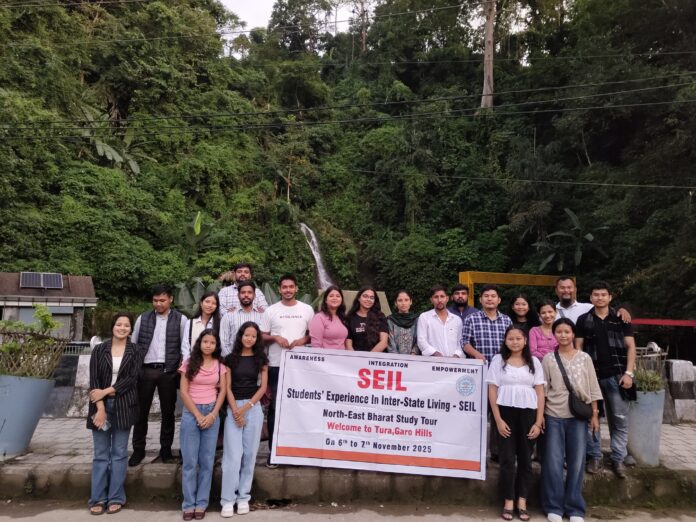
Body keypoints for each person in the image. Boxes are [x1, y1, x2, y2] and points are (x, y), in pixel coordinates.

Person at [542, 318, 602, 522]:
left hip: (578, 417)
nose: (563, 335)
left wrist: (595, 415)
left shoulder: (584, 358)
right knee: (553, 462)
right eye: (559, 331)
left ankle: (575, 507)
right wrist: (540, 416)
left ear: (573, 334)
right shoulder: (548, 359)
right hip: (553, 415)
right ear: (554, 334)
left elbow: (593, 388)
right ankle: (554, 506)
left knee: (577, 462)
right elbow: (543, 389)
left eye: (567, 331)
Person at [576, 281, 636, 479]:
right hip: (591, 377)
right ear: (591, 297)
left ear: (610, 297)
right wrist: (581, 376)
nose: (599, 297)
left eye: (603, 294)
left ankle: (618, 458)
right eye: (596, 294)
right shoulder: (583, 320)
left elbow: (631, 347)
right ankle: (595, 456)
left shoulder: (621, 319)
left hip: (617, 376)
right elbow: (578, 348)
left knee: (620, 419)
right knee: (591, 419)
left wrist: (629, 373)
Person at [487, 326, 545, 521]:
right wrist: (498, 420)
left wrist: (538, 422)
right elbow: (492, 390)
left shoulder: (534, 361)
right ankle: (508, 500)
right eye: (510, 338)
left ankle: (522, 501)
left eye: (518, 338)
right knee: (507, 459)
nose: (515, 342)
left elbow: (540, 392)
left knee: (526, 460)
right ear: (505, 341)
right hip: (505, 413)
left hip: (528, 414)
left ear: (525, 341)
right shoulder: (498, 360)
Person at [87, 312, 139, 515]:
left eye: (126, 325)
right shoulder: (99, 350)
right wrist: (100, 408)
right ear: (112, 326)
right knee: (101, 454)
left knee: (119, 454)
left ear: (131, 329)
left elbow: (131, 379)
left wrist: (106, 391)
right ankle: (98, 498)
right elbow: (94, 380)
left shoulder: (136, 350)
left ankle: (116, 497)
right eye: (119, 324)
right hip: (100, 405)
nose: (122, 328)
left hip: (124, 404)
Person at [130, 284, 187, 466]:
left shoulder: (181, 319)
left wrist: (179, 369)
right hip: (146, 370)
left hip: (168, 371)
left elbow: (184, 347)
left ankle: (166, 450)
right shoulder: (143, 318)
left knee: (168, 413)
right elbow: (134, 344)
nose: (158, 304)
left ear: (171, 299)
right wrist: (135, 369)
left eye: (162, 300)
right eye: (155, 300)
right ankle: (138, 450)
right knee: (141, 413)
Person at [265, 274, 314, 467]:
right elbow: (261, 335)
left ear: (296, 288)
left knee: (299, 408)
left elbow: (313, 334)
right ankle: (273, 452)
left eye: (291, 287)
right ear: (279, 289)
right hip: (276, 365)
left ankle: (296, 452)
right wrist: (275, 338)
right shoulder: (271, 310)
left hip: (300, 366)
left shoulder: (307, 309)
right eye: (284, 287)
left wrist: (303, 340)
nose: (288, 290)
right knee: (275, 409)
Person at [220, 322, 269, 517]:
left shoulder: (261, 359)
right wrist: (236, 411)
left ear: (257, 339)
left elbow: (263, 387)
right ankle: (227, 500)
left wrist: (246, 408)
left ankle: (243, 497)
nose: (249, 339)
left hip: (253, 408)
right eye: (246, 335)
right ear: (240, 336)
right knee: (232, 456)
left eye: (253, 336)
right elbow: (227, 387)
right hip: (233, 407)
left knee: (249, 455)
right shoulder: (230, 359)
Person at [178, 329, 227, 520]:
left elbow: (223, 391)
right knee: (190, 462)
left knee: (207, 461)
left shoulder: (220, 365)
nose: (208, 345)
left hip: (212, 414)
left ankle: (201, 503)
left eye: (212, 342)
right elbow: (183, 391)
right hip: (192, 414)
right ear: (199, 343)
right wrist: (198, 415)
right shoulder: (189, 363)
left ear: (216, 346)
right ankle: (188, 504)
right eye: (205, 341)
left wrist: (213, 414)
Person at [462, 284, 513, 362]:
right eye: (486, 296)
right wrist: (476, 354)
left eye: (493, 296)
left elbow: (512, 341)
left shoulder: (507, 320)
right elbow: (464, 342)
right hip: (480, 365)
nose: (489, 299)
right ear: (480, 300)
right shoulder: (471, 319)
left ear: (499, 300)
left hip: (502, 364)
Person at [220, 281, 269, 357]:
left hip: (257, 360)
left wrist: (262, 359)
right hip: (234, 360)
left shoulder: (262, 316)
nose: (246, 295)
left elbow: (265, 341)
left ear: (254, 296)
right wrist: (231, 359)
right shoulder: (228, 316)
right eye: (243, 292)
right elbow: (223, 342)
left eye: (249, 292)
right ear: (238, 295)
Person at [555, 276, 631, 324]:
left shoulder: (588, 308)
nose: (566, 290)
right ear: (556, 290)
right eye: (562, 288)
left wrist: (622, 310)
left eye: (569, 287)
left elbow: (607, 311)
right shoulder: (551, 312)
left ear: (575, 290)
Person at [416, 285, 463, 358]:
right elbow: (421, 341)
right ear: (431, 300)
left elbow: (461, 342)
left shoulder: (457, 320)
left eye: (442, 296)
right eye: (436, 297)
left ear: (447, 298)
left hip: (455, 362)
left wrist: (456, 355)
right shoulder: (424, 317)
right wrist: (435, 354)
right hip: (432, 362)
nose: (439, 300)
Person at [346, 286, 389, 352]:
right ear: (359, 298)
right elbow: (348, 342)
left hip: (375, 357)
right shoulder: (350, 317)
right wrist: (354, 356)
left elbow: (384, 342)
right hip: (355, 356)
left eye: (372, 298)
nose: (368, 299)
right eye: (365, 296)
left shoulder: (380, 316)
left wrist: (368, 356)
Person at [182, 291, 221, 361]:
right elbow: (185, 346)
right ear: (201, 303)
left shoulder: (220, 324)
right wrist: (187, 363)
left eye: (214, 303)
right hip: (193, 362)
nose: (210, 305)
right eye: (207, 302)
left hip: (213, 363)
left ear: (216, 307)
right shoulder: (190, 323)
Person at [309, 285, 349, 349]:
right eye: (331, 296)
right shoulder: (319, 318)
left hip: (342, 355)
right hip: (326, 355)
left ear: (341, 300)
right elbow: (316, 345)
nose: (334, 298)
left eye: (338, 296)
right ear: (325, 300)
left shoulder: (342, 317)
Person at [386, 290, 419, 355]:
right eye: (400, 300)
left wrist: (413, 353)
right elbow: (390, 342)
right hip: (394, 358)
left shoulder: (417, 320)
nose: (403, 303)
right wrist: (397, 358)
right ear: (396, 303)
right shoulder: (390, 320)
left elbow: (419, 339)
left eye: (406, 300)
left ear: (411, 302)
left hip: (413, 358)